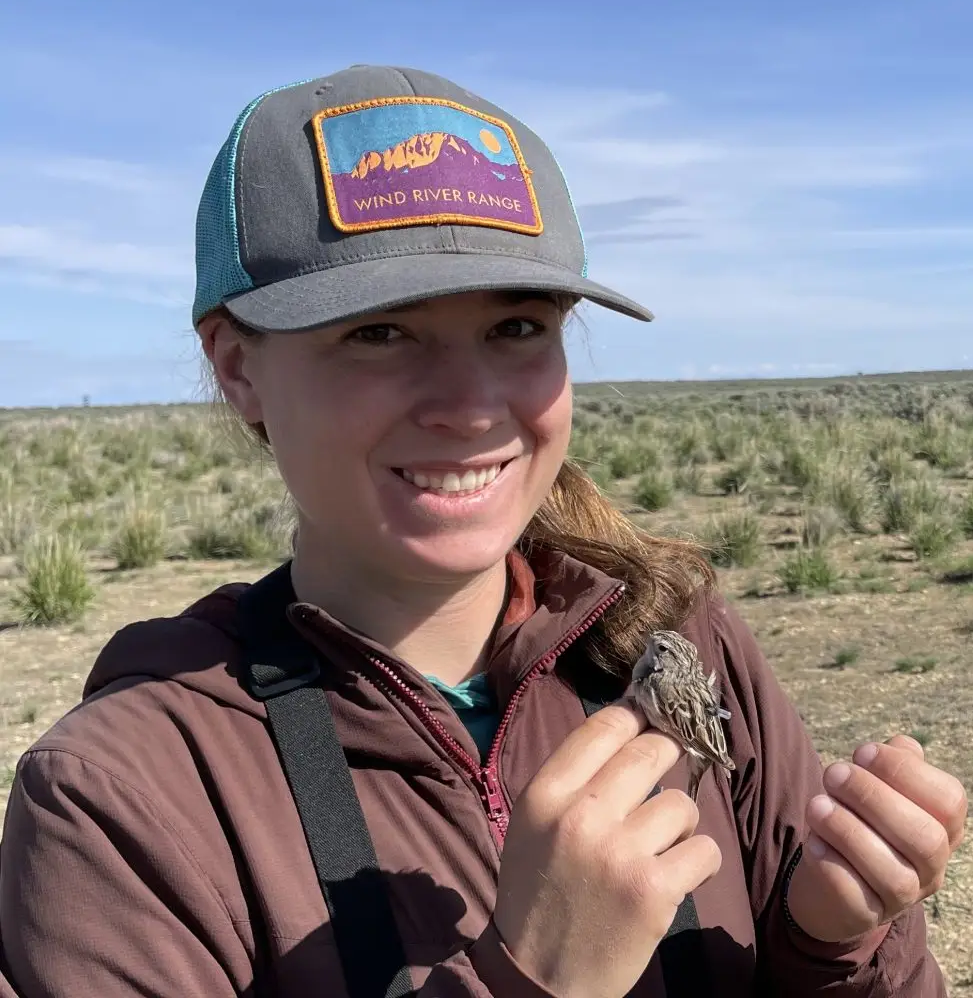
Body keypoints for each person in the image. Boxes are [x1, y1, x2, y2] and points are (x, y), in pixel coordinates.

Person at [0, 65, 966, 998]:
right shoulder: (125, 798)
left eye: (516, 327)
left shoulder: (674, 646)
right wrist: (532, 978)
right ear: (237, 366)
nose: (470, 409)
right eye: (378, 332)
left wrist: (832, 938)